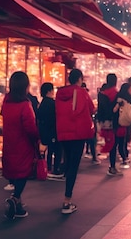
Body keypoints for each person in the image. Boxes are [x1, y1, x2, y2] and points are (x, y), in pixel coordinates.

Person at [55, 69, 95, 214]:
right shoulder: (82, 92)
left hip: (63, 133)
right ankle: (67, 201)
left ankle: (63, 172)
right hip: (78, 133)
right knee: (73, 166)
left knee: (68, 161)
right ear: (79, 78)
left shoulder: (59, 93)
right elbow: (92, 108)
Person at [1, 71, 40, 219]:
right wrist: (37, 139)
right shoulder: (25, 104)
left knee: (15, 172)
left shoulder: (6, 101)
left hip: (9, 142)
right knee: (23, 172)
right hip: (23, 143)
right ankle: (14, 198)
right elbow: (30, 127)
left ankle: (17, 205)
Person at [37, 82, 63, 179]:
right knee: (57, 150)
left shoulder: (42, 104)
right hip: (53, 131)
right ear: (49, 91)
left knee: (48, 150)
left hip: (44, 131)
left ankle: (47, 167)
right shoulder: (52, 103)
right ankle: (55, 169)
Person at [108, 83, 131, 175]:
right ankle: (113, 166)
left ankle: (116, 164)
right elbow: (114, 110)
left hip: (119, 125)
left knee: (118, 144)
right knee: (116, 144)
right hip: (118, 125)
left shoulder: (119, 97)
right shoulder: (122, 99)